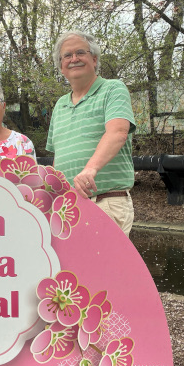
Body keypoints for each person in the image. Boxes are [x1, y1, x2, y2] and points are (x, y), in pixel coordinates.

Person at [46, 31, 136, 235]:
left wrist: (90, 169)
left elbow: (118, 132)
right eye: (67, 56)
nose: (74, 59)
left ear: (94, 60)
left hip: (105, 201)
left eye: (80, 53)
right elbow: (58, 160)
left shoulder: (113, 89)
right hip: (67, 209)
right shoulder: (60, 105)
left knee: (107, 268)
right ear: (61, 66)